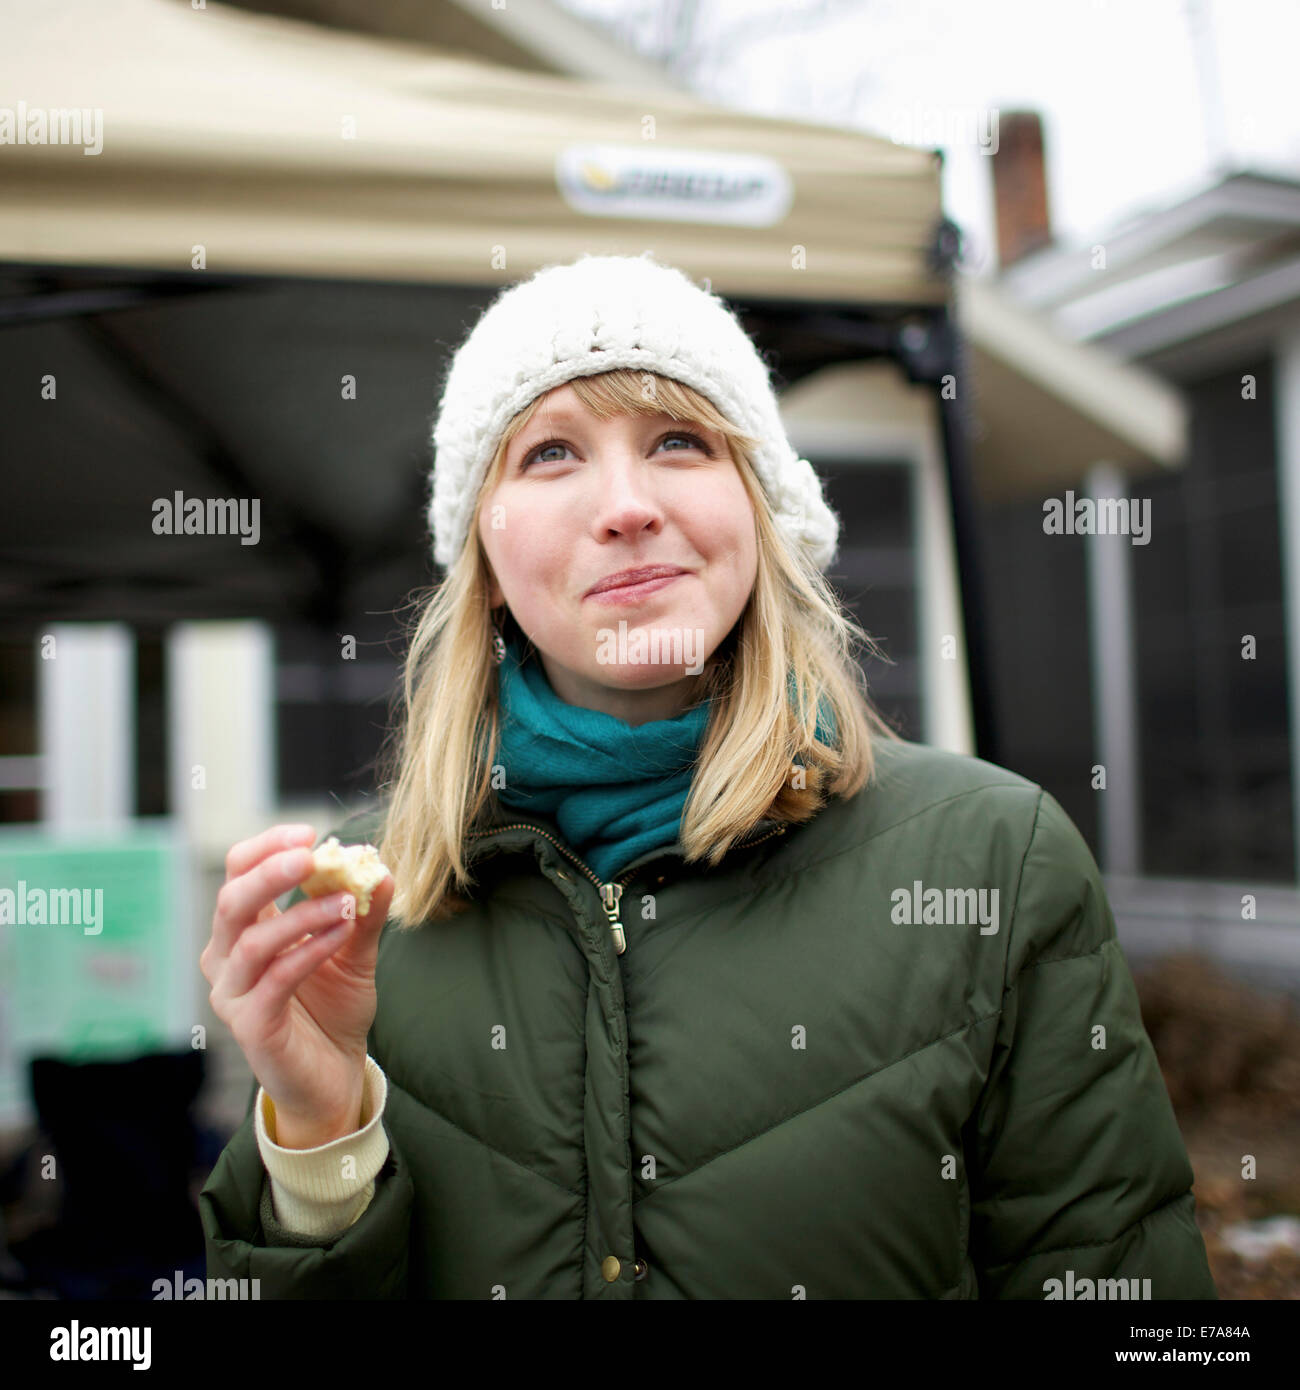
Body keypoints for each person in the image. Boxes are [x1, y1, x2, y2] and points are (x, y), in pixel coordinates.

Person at [199, 253, 1218, 1300]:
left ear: (761, 505)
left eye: (678, 439)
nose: (626, 505)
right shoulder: (360, 912)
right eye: (550, 453)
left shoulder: (993, 861)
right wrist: (322, 1135)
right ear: (485, 559)